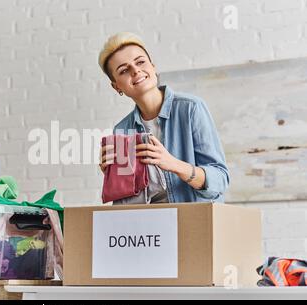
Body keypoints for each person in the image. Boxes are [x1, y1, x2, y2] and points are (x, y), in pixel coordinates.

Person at [98, 32, 229, 203]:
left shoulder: (190, 108)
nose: (135, 70)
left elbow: (220, 179)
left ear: (153, 67)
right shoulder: (122, 129)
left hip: (192, 220)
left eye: (140, 62)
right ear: (116, 86)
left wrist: (173, 164)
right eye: (124, 70)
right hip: (145, 225)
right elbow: (127, 199)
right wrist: (112, 176)